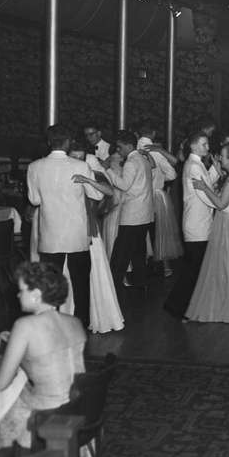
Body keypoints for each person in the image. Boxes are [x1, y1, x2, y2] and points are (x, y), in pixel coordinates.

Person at [0, 261, 86, 449]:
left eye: (21, 290)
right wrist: (17, 342)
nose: (18, 295)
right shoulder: (75, 322)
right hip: (77, 407)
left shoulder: (24, 326)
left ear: (36, 295)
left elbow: (0, 384)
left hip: (44, 415)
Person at [27, 124, 102, 327]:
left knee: (50, 285)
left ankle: (52, 324)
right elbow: (96, 194)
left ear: (49, 143)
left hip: (51, 233)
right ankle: (81, 324)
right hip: (77, 234)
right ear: (68, 142)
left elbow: (34, 200)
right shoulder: (80, 166)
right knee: (80, 284)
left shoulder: (34, 167)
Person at [184, 144, 229, 323]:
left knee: (225, 262)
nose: (220, 160)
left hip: (228, 223)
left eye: (223, 157)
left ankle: (228, 307)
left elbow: (220, 204)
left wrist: (204, 187)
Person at [68, 141, 124, 334]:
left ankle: (95, 317)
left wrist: (89, 180)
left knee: (95, 275)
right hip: (69, 232)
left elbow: (110, 192)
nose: (77, 161)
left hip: (90, 231)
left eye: (81, 158)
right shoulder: (63, 174)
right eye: (73, 157)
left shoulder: (88, 172)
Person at [163, 133, 218, 317]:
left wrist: (216, 170)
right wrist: (221, 203)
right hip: (197, 224)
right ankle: (178, 307)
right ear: (193, 146)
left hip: (199, 222)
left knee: (194, 268)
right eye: (204, 144)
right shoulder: (194, 165)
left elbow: (206, 185)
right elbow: (205, 194)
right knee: (193, 269)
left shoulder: (196, 163)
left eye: (207, 144)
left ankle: (180, 306)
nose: (207, 148)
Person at [104, 129, 154, 298]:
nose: (118, 150)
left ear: (129, 145)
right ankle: (141, 285)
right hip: (145, 214)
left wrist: (109, 171)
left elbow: (124, 185)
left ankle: (112, 290)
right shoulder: (143, 159)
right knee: (138, 253)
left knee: (120, 255)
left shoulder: (131, 162)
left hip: (132, 215)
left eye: (120, 147)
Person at [137, 128, 183, 278]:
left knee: (141, 231)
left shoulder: (134, 149)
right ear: (153, 133)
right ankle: (164, 266)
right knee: (160, 231)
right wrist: (160, 178)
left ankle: (142, 266)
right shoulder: (156, 151)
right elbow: (172, 174)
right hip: (157, 194)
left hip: (139, 195)